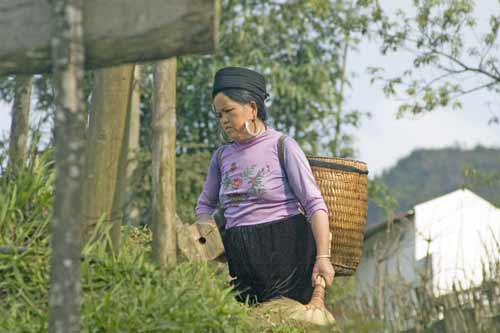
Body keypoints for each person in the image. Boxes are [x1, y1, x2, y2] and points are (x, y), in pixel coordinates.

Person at [195, 66, 334, 305]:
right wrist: (210, 241)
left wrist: (323, 256)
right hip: (241, 257)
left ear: (252, 108)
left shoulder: (283, 146)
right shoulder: (221, 157)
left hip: (286, 251)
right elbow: (204, 206)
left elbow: (314, 204)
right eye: (219, 115)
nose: (224, 120)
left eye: (229, 111)